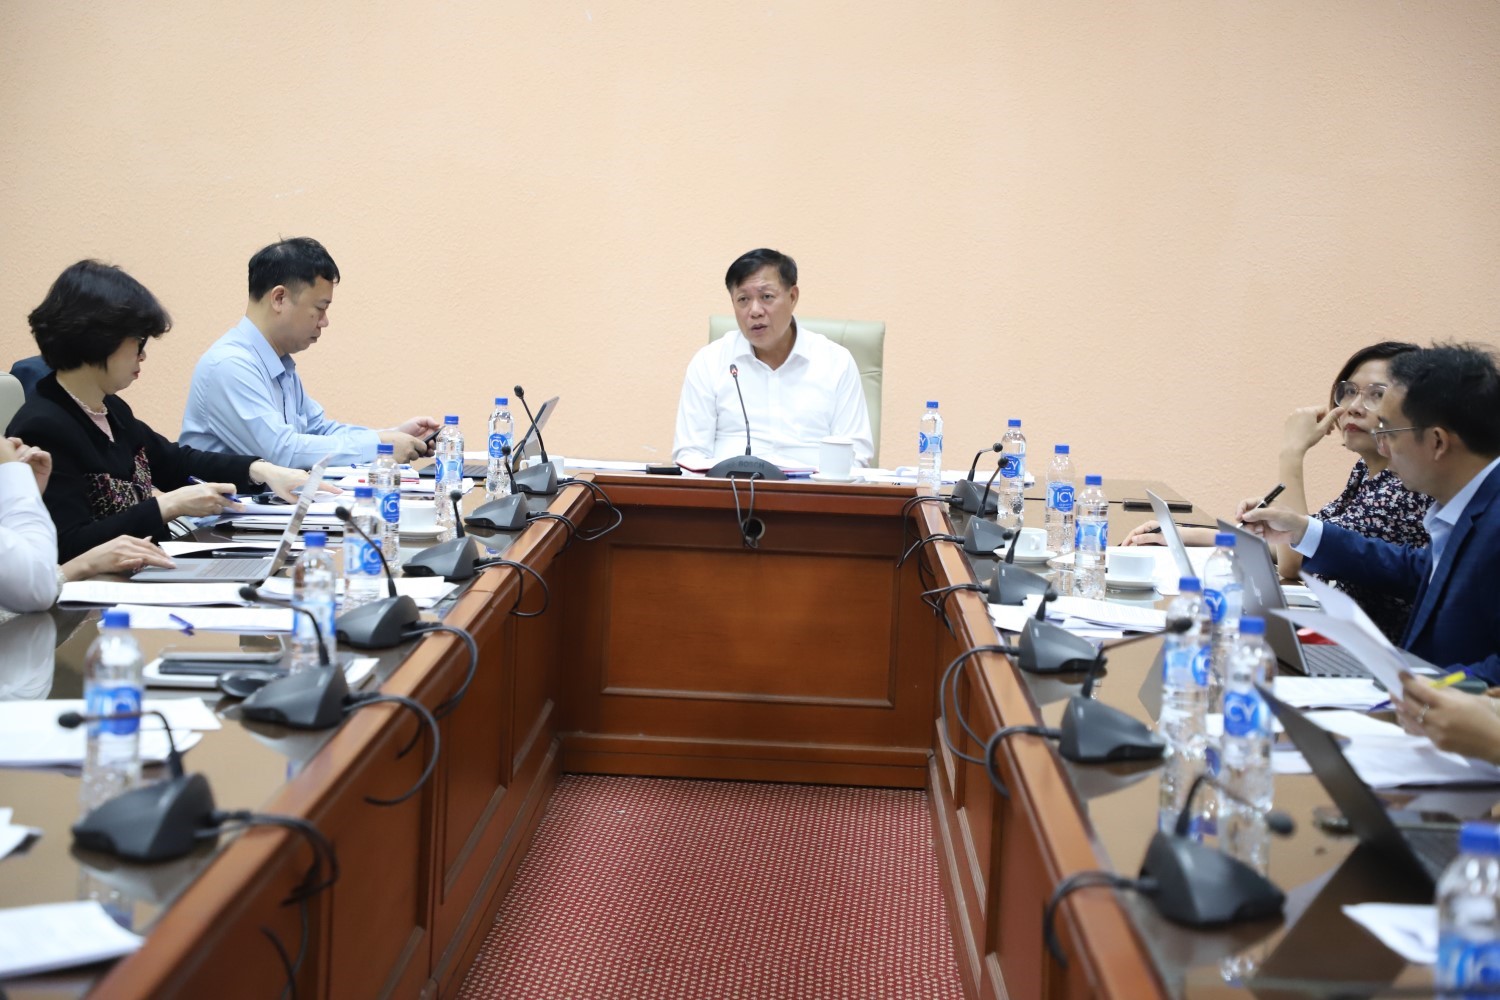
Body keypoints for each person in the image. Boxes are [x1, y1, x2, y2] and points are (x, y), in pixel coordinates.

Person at [1122, 342, 1433, 642]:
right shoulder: (1366, 472)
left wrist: (1292, 452)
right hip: (1339, 637)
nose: (1353, 408)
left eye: (1376, 395)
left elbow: (1293, 560)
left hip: (1370, 652)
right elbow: (1300, 540)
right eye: (1349, 391)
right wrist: (1188, 535)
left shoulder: (1405, 489)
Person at [6, 260, 307, 564]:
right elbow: (69, 546)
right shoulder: (42, 428)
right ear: (99, 340)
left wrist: (260, 470)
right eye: (138, 342)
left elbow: (174, 462)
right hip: (105, 588)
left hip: (151, 568)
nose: (143, 355)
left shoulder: (110, 408)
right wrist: (167, 506)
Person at [1243, 343, 1500, 683]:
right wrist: (1301, 530)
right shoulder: (1467, 504)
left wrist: (1433, 690)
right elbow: (1415, 569)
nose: (1384, 447)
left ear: (1437, 442)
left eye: (1389, 433)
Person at [179, 237, 438, 467]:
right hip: (224, 509)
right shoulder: (230, 366)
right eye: (320, 308)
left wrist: (392, 435)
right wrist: (380, 445)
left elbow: (319, 432)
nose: (325, 322)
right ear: (279, 298)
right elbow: (282, 452)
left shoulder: (279, 365)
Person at [672, 248, 873, 471]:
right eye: (743, 299)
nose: (755, 311)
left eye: (766, 297)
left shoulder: (836, 362)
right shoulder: (709, 362)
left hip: (811, 489)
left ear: (792, 297)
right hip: (731, 489)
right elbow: (690, 455)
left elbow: (855, 454)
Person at [0, 435, 173, 613]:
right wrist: (87, 563)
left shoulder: (121, 420)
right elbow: (33, 588)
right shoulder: (42, 426)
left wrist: (28, 492)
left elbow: (23, 575)